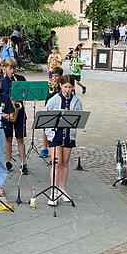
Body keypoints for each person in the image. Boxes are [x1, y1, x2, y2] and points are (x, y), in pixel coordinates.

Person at [43, 74, 83, 206]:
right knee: (56, 162)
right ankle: (53, 191)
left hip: (68, 134)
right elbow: (45, 118)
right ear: (60, 86)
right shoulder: (54, 99)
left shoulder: (76, 101)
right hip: (55, 134)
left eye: (70, 87)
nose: (67, 90)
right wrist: (50, 135)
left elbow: (79, 118)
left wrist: (73, 114)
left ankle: (62, 189)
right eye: (65, 86)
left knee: (65, 162)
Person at [1, 58, 28, 174]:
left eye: (14, 68)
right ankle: (8, 161)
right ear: (5, 68)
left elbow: (27, 94)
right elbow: (1, 97)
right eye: (10, 68)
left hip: (19, 111)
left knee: (20, 138)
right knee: (8, 138)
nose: (12, 71)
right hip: (7, 112)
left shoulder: (20, 79)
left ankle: (24, 163)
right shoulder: (2, 81)